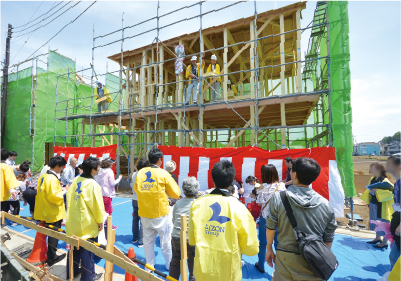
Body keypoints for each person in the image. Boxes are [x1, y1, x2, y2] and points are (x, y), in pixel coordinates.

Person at [265, 157, 337, 280]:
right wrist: (318, 256)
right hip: (312, 261)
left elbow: (271, 227)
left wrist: (269, 248)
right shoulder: (325, 204)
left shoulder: (278, 198)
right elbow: (328, 237)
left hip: (285, 258)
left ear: (295, 174)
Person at [188, 160, 259, 281]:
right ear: (232, 180)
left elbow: (192, 238)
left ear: (213, 179)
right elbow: (251, 248)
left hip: (202, 269)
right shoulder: (239, 207)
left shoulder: (197, 204)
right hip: (228, 272)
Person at [134, 148, 181, 270]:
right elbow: (176, 193)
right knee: (165, 241)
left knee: (148, 242)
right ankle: (168, 264)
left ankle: (149, 265)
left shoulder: (140, 173)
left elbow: (136, 189)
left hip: (144, 212)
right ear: (160, 160)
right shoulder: (163, 173)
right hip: (160, 212)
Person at [66, 157, 105, 281]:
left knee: (74, 250)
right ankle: (87, 277)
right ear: (93, 169)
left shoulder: (77, 179)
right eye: (98, 167)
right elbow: (97, 206)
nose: (99, 168)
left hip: (73, 221)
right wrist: (100, 221)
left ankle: (71, 273)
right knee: (87, 253)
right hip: (86, 223)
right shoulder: (93, 184)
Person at [34, 155, 69, 267]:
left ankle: (49, 255)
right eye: (62, 166)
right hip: (52, 211)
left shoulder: (44, 176)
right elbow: (54, 196)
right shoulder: (52, 178)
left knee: (48, 233)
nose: (62, 169)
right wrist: (64, 190)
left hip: (44, 209)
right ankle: (52, 257)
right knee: (54, 234)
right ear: (57, 166)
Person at [255, 164, 286, 273]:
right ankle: (279, 269)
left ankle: (261, 266)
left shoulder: (262, 187)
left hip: (265, 218)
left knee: (263, 243)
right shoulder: (282, 186)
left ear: (264, 175)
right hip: (279, 219)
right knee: (278, 244)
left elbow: (259, 203)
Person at [169, 177, 199, 281]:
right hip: (191, 238)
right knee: (193, 265)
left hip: (176, 236)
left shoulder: (178, 203)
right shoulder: (198, 204)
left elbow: (174, 220)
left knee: (175, 261)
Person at [361, 163, 393, 249]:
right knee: (375, 221)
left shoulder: (385, 180)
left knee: (383, 222)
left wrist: (377, 191)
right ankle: (377, 238)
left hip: (382, 206)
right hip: (373, 203)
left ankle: (384, 242)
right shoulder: (372, 179)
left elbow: (390, 193)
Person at [96, 158, 122, 230]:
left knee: (109, 210)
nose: (112, 164)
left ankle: (108, 224)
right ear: (109, 164)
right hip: (107, 194)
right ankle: (101, 226)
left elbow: (97, 182)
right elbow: (112, 183)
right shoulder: (109, 171)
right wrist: (119, 178)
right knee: (106, 212)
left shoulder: (100, 171)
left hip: (101, 193)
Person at [386, 155, 401, 268]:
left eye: (390, 164)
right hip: (397, 218)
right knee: (394, 256)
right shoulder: (397, 183)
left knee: (396, 257)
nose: (386, 166)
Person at [130, 158, 149, 246]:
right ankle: (141, 241)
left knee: (135, 220)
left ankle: (135, 238)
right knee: (142, 221)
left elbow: (131, 185)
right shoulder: (146, 175)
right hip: (143, 199)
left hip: (134, 198)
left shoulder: (134, 174)